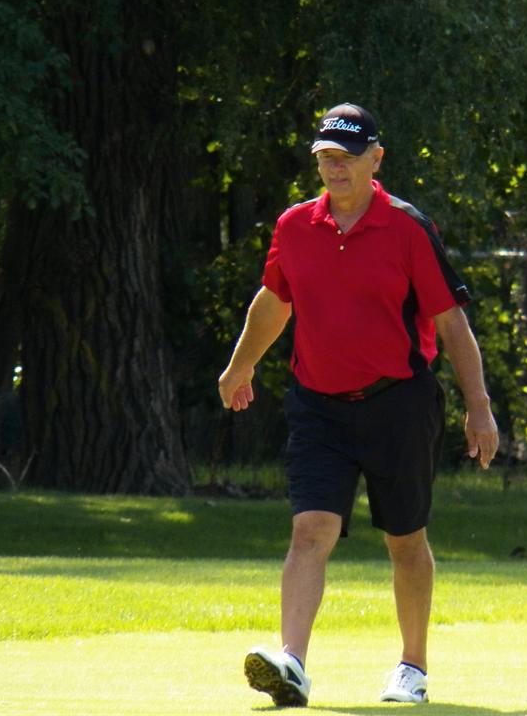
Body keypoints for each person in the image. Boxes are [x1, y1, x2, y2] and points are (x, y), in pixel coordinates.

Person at [218, 103, 499, 707]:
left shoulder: (407, 227)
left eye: (346, 157)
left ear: (376, 158)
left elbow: (450, 322)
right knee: (310, 530)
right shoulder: (295, 225)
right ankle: (293, 663)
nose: (335, 167)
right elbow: (274, 302)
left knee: (405, 538)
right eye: (326, 157)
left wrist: (478, 406)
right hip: (318, 407)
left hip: (399, 403)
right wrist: (241, 365)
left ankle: (412, 666)